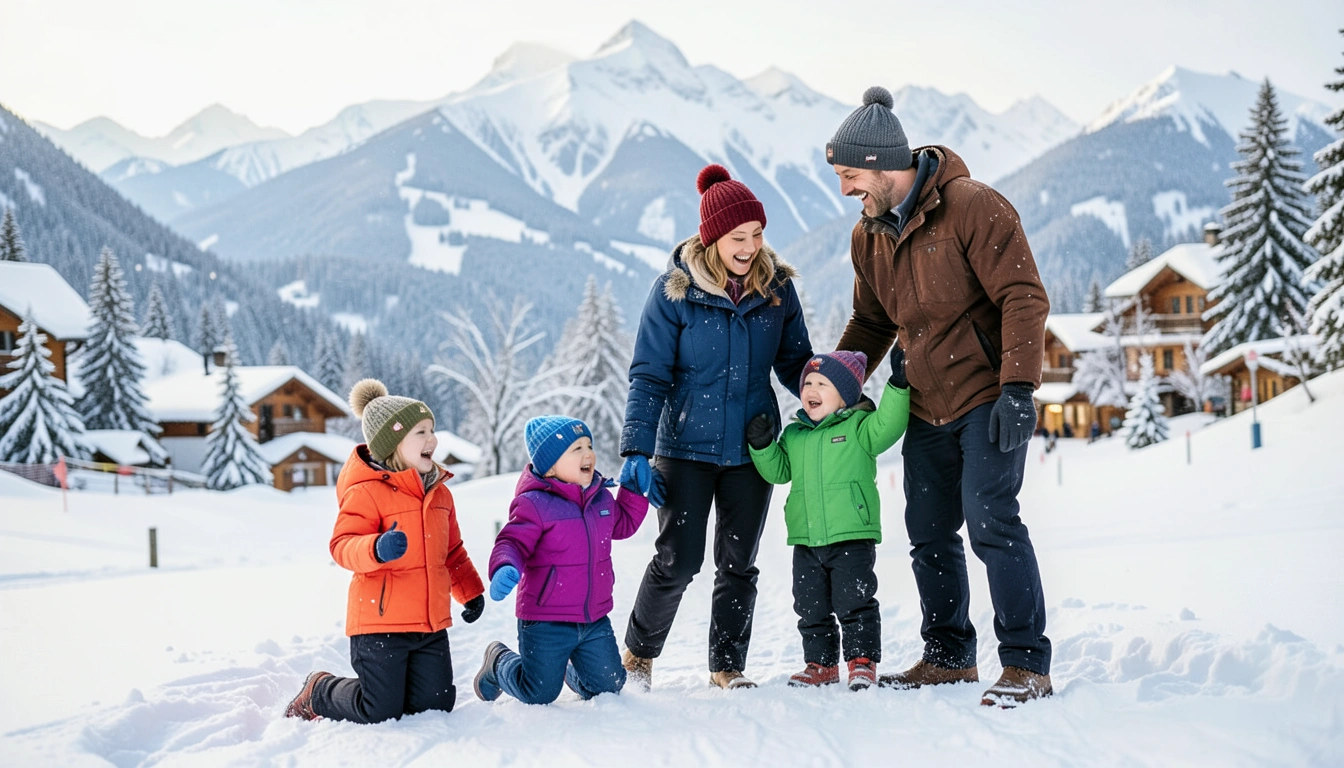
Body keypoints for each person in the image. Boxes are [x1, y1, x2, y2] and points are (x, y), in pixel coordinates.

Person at [827, 86, 1053, 706]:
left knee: (991, 521)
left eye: (850, 176)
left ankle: (1027, 664)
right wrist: (833, 382)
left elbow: (1023, 298)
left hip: (985, 394)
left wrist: (1017, 388)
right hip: (925, 400)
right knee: (927, 529)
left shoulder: (974, 207)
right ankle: (950, 655)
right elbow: (871, 323)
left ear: (880, 164)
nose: (846, 190)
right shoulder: (867, 237)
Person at [619, 164, 814, 690]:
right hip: (684, 447)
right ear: (711, 239)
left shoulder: (776, 292)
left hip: (752, 447)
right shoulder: (673, 293)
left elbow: (796, 362)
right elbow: (649, 373)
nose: (750, 246)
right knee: (678, 561)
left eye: (756, 234)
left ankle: (727, 667)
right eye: (737, 237)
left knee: (738, 563)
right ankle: (638, 655)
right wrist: (637, 447)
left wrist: (831, 394)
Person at [285, 379, 485, 722]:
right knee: (378, 709)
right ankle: (319, 691)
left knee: (435, 705)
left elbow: (452, 552)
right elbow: (342, 546)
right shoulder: (367, 492)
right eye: (421, 432)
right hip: (380, 625)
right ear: (393, 442)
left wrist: (469, 591)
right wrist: (376, 548)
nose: (432, 440)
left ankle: (396, 688)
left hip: (429, 625)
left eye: (432, 430)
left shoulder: (440, 494)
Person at [747, 349, 910, 690]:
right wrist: (762, 446)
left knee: (855, 601)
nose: (811, 389)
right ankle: (820, 664)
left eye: (823, 383)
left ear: (845, 396)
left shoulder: (860, 427)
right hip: (806, 539)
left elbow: (890, 427)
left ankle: (861, 661)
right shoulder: (795, 435)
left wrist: (898, 384)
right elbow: (779, 472)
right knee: (810, 605)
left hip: (850, 534)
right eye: (808, 382)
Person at [473, 415, 651, 705]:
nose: (588, 454)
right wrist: (505, 564)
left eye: (588, 445)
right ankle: (498, 661)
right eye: (576, 448)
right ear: (551, 465)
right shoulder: (534, 503)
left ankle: (569, 669)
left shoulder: (601, 498)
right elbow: (512, 541)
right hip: (546, 619)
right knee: (538, 692)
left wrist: (633, 492)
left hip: (594, 617)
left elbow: (622, 526)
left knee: (609, 687)